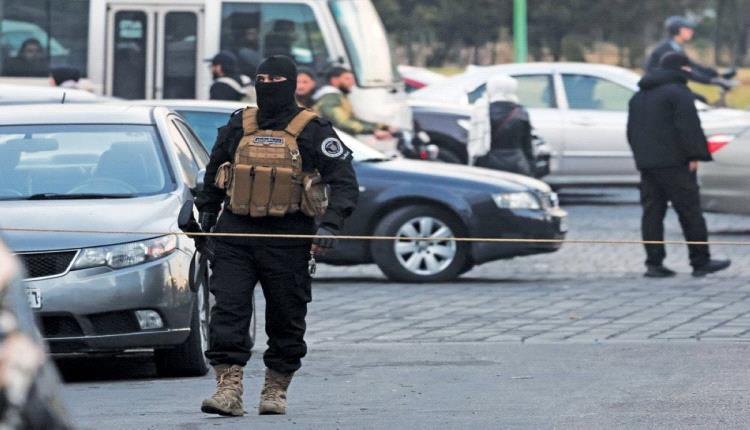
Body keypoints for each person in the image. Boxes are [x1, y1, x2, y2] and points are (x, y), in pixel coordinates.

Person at [195, 55, 359, 417]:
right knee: (228, 312)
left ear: (292, 83)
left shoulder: (313, 129)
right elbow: (214, 172)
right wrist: (205, 214)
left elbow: (345, 183)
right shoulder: (239, 124)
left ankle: (275, 389)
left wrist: (330, 225)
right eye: (262, 78)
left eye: (276, 79)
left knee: (287, 317)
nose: (268, 85)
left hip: (289, 239)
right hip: (235, 236)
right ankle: (228, 389)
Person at [627, 52, 731, 278]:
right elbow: (689, 128)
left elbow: (632, 132)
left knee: (652, 214)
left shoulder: (639, 96)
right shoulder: (679, 93)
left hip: (648, 165)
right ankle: (700, 261)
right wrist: (695, 155)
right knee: (690, 212)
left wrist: (642, 159)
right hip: (676, 164)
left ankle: (654, 263)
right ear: (683, 69)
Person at [468, 75, 534, 176]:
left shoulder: (482, 111)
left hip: (488, 164)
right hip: (516, 165)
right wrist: (531, 168)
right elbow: (527, 145)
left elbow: (474, 140)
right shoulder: (521, 112)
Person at [645, 16, 734, 88]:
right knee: (698, 100)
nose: (691, 31)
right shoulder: (667, 50)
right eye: (687, 29)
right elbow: (687, 73)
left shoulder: (674, 47)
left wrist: (718, 74)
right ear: (677, 30)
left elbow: (692, 65)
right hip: (659, 89)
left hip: (668, 87)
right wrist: (713, 81)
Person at [312, 66, 395, 139]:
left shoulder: (337, 96)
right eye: (347, 79)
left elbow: (352, 119)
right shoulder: (330, 98)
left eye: (352, 79)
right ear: (334, 81)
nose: (352, 82)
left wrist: (383, 127)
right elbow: (342, 123)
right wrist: (373, 131)